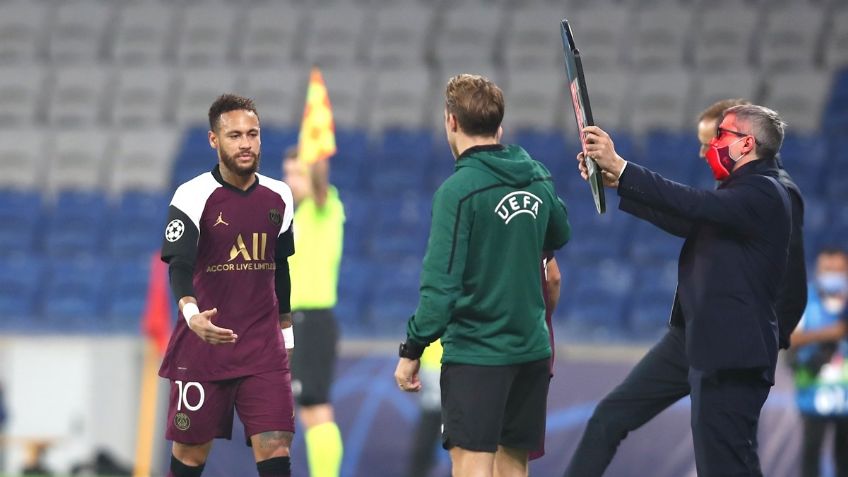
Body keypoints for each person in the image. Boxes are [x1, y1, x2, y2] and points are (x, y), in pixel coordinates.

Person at [563, 99, 807, 477]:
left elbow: (695, 206)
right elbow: (693, 218)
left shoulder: (768, 191)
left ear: (746, 144)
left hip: (732, 350)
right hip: (700, 338)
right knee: (720, 461)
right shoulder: (741, 190)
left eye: (720, 136)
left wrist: (624, 168)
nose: (709, 147)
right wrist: (619, 183)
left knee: (726, 465)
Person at [393, 74, 572, 477]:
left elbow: (440, 289)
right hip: (531, 350)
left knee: (473, 465)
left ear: (451, 122)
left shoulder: (458, 190)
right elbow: (560, 232)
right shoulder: (536, 175)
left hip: (477, 354)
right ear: (499, 126)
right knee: (513, 468)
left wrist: (412, 350)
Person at [159, 94, 296, 477]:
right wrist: (190, 314)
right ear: (214, 140)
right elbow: (179, 264)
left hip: (262, 349)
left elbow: (280, 267)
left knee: (275, 443)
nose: (246, 143)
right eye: (234, 135)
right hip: (204, 347)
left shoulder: (280, 196)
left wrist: (286, 336)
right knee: (190, 455)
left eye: (253, 134)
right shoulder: (192, 194)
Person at [404, 256, 562, 477]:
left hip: (455, 367)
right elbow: (553, 276)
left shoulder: (452, 265)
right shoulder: (499, 272)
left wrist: (411, 351)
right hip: (479, 363)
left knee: (462, 452)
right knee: (495, 453)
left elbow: (434, 305)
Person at [282, 146, 345, 477]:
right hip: (299, 321)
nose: (290, 180)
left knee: (316, 409)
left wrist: (314, 151)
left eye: (297, 173)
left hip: (314, 319)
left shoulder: (325, 206)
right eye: (287, 172)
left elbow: (319, 182)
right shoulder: (298, 215)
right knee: (309, 412)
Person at [789, 247, 848, 477]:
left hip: (845, 396)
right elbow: (789, 337)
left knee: (844, 458)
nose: (832, 274)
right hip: (812, 393)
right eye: (827, 269)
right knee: (811, 454)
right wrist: (830, 333)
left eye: (838, 269)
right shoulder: (804, 299)